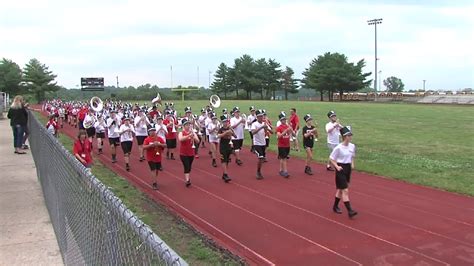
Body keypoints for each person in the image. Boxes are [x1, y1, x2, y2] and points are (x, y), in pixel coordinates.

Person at [330, 126, 358, 218]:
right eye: (349, 135)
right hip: (341, 169)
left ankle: (335, 206)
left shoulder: (352, 146)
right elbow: (331, 158)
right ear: (345, 136)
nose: (350, 137)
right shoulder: (338, 148)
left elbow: (352, 156)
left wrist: (352, 164)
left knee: (340, 190)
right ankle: (350, 211)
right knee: (345, 190)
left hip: (348, 169)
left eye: (351, 135)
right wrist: (337, 166)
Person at [251, 110, 273, 179]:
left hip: (263, 143)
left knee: (262, 158)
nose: (261, 117)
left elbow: (272, 132)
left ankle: (259, 170)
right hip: (257, 143)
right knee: (260, 158)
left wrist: (268, 129)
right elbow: (253, 132)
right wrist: (261, 127)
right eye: (259, 116)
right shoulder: (254, 124)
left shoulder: (264, 123)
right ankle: (258, 172)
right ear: (257, 117)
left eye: (262, 116)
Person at [178, 118, 199, 187]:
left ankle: (187, 177)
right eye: (186, 125)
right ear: (184, 126)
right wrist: (188, 136)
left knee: (189, 166)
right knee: (186, 166)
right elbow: (181, 139)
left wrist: (193, 136)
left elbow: (197, 141)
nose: (188, 126)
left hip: (191, 152)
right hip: (183, 153)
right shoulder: (181, 133)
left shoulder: (192, 133)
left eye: (189, 125)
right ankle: (187, 180)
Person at [217, 115, 235, 182]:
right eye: (224, 122)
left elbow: (235, 136)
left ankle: (224, 174)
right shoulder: (221, 129)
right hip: (223, 146)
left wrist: (231, 130)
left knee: (227, 160)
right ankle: (226, 174)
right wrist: (225, 133)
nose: (225, 123)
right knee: (223, 160)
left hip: (229, 146)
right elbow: (218, 136)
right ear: (222, 122)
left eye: (226, 121)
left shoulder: (229, 128)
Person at [276, 113, 293, 178]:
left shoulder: (288, 126)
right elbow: (279, 136)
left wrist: (291, 129)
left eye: (285, 119)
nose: (284, 121)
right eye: (283, 120)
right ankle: (285, 171)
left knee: (282, 158)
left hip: (287, 145)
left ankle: (280, 170)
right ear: (280, 121)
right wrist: (286, 131)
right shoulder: (279, 128)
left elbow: (293, 135)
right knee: (284, 158)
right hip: (281, 145)